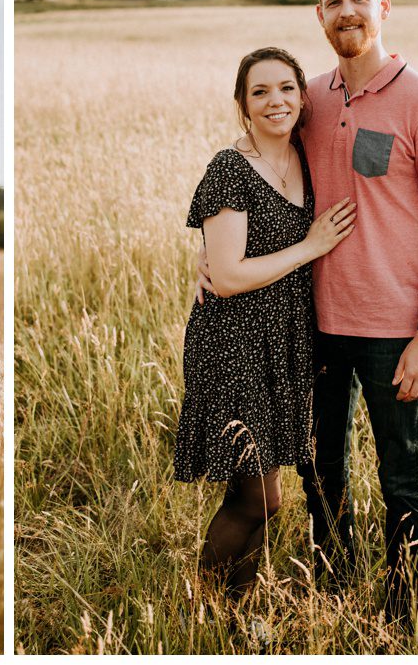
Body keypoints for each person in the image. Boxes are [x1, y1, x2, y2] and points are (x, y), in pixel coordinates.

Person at [296, 0, 418, 624]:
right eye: (334, 2)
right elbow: (260, 183)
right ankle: (334, 597)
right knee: (320, 473)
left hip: (395, 331)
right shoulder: (307, 99)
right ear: (319, 15)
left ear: (383, 6)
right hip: (315, 324)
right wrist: (211, 255)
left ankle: (407, 622)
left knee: (404, 480)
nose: (347, 12)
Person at [176, 46, 355, 600]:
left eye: (286, 88)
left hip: (285, 343)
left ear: (303, 97)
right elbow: (228, 277)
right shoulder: (230, 169)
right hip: (234, 344)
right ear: (243, 104)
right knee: (258, 499)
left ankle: (235, 611)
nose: (275, 101)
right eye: (259, 92)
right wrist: (311, 246)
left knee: (260, 496)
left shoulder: (306, 155)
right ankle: (203, 607)